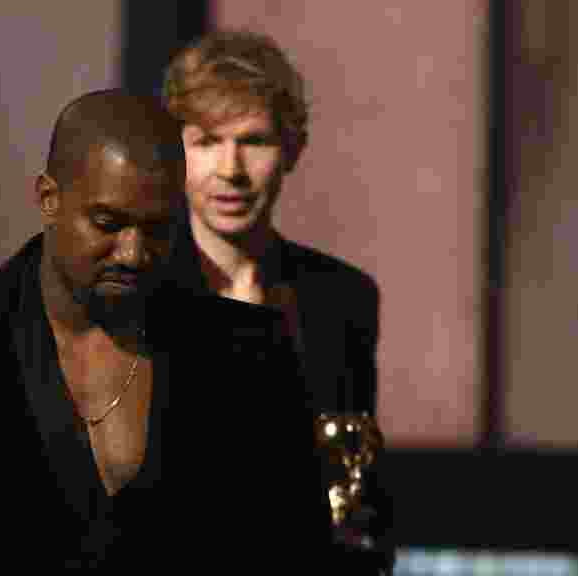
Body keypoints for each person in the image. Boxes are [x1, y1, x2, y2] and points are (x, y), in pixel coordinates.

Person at [0, 89, 328, 572]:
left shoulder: (248, 352)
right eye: (108, 222)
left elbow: (298, 559)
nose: (133, 253)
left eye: (157, 229)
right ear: (50, 199)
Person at [162, 30, 394, 570]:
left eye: (254, 141)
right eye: (206, 142)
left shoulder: (344, 298)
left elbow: (356, 484)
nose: (231, 170)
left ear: (291, 151)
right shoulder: (137, 291)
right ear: (175, 152)